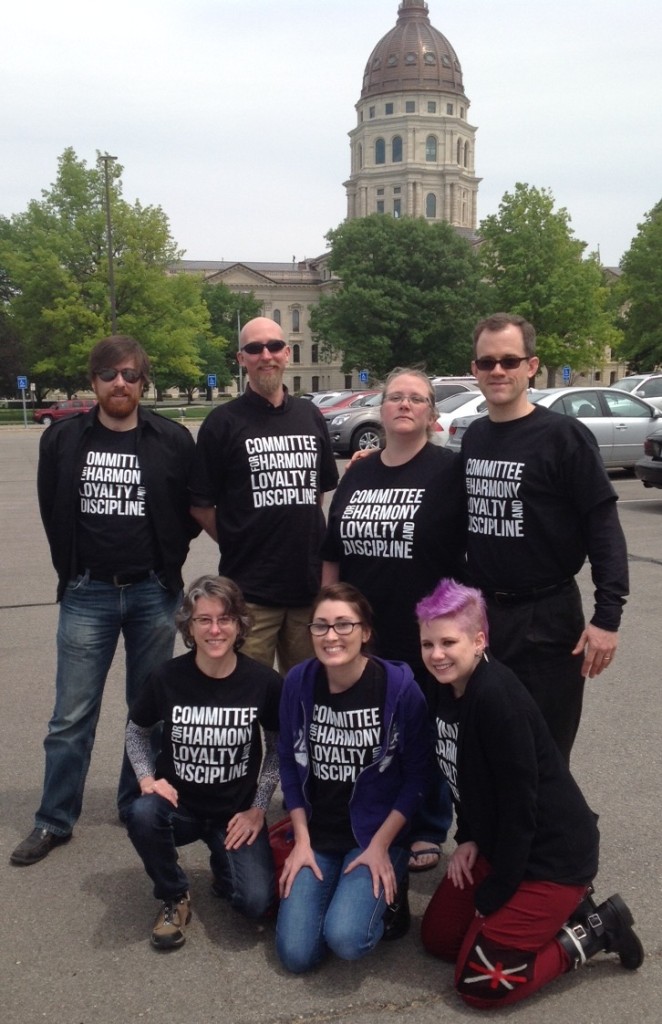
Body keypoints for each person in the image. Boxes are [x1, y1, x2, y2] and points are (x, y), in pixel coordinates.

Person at [10, 335, 199, 867]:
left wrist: (167, 563)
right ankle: (54, 819)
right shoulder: (65, 440)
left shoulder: (172, 439)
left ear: (144, 382)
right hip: (87, 591)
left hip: (152, 593)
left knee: (149, 709)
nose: (121, 383)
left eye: (132, 375)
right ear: (93, 381)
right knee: (71, 715)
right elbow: (52, 510)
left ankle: (134, 800)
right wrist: (70, 573)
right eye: (111, 374)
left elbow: (187, 513)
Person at [416, 578, 643, 1010]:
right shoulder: (445, 687)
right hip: (502, 843)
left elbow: (523, 810)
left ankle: (594, 928)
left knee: (478, 984)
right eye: (428, 644)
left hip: (550, 857)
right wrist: (468, 838)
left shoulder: (498, 698)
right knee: (440, 939)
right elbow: (465, 776)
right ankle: (549, 916)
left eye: (448, 642)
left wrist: (496, 892)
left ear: (480, 639)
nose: (437, 654)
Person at [462, 313, 628, 760]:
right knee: (492, 743)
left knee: (546, 751)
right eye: (488, 362)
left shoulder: (563, 437)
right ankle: (497, 831)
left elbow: (604, 528)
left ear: (531, 366)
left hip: (547, 619)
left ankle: (562, 831)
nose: (498, 370)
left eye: (509, 360)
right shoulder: (475, 436)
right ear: (474, 369)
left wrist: (607, 618)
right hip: (486, 618)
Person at [322, 368, 465, 872]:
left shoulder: (451, 471)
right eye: (395, 397)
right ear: (380, 409)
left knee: (423, 730)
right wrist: (330, 617)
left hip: (424, 635)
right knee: (372, 731)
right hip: (364, 634)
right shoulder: (358, 472)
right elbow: (333, 550)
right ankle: (376, 813)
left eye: (417, 398)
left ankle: (427, 824)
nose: (405, 405)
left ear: (431, 412)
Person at [276, 582, 431, 973]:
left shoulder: (399, 690)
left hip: (375, 835)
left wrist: (381, 845)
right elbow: (289, 765)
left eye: (344, 625)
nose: (331, 636)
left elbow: (417, 778)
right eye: (321, 626)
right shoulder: (297, 682)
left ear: (365, 632)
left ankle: (388, 902)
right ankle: (342, 898)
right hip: (319, 834)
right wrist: (302, 841)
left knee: (346, 940)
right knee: (297, 956)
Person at [124, 575, 281, 950]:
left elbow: (278, 749)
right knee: (142, 813)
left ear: (240, 625)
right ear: (189, 627)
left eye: (225, 619)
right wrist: (147, 779)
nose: (215, 629)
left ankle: (223, 866)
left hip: (234, 815)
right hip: (179, 807)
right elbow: (136, 731)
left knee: (255, 904)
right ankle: (174, 896)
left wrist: (258, 810)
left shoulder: (264, 681)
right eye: (203, 620)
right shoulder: (166, 677)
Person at [189, 316, 338, 675]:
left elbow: (316, 493)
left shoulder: (309, 415)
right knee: (246, 697)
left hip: (307, 588)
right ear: (242, 359)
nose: (265, 355)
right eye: (254, 349)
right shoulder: (222, 423)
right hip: (249, 594)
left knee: (305, 693)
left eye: (273, 346)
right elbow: (200, 505)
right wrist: (238, 539)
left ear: (287, 353)